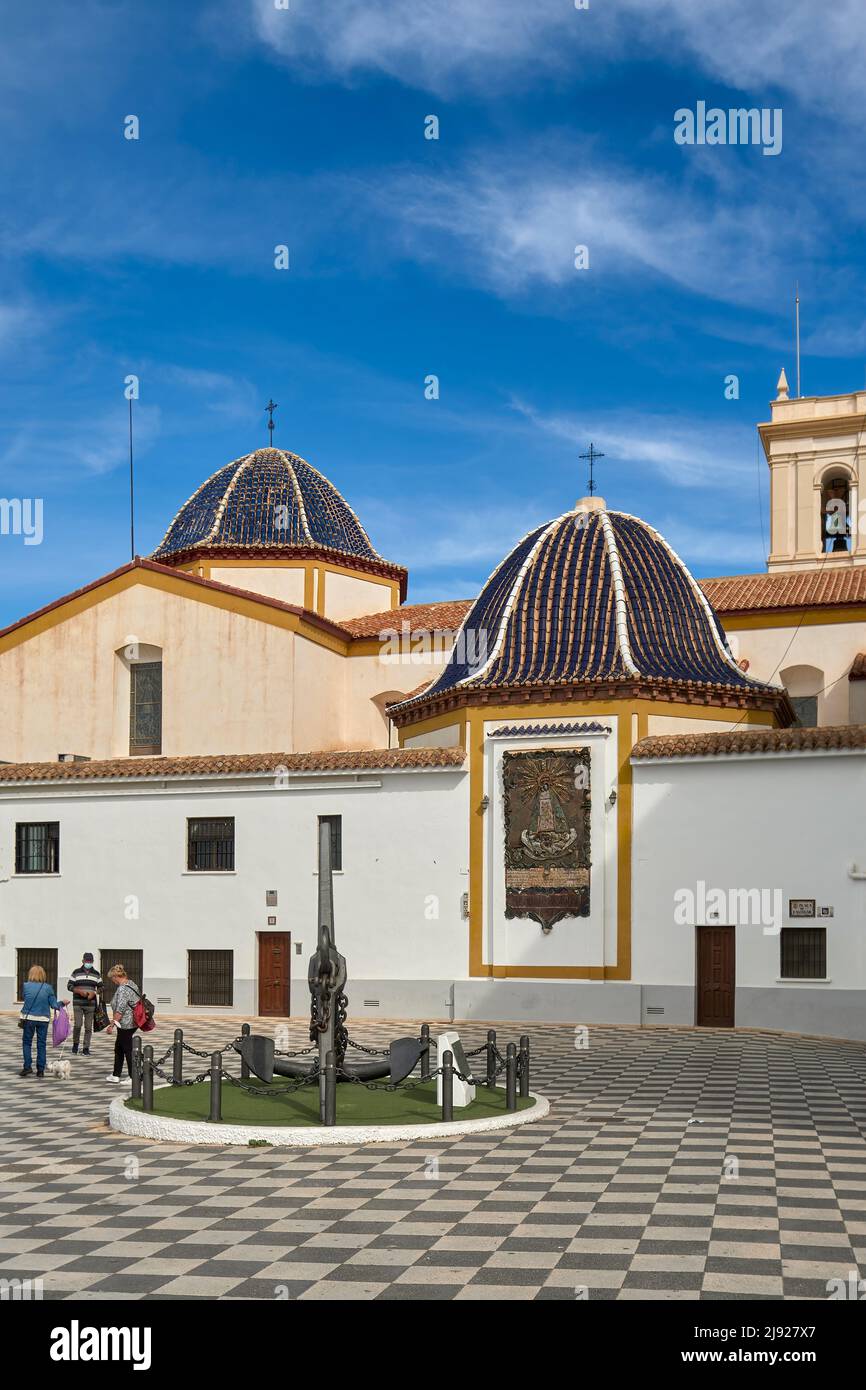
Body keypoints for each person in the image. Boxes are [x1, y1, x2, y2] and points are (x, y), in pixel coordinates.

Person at [19, 965, 68, 1078]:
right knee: (41, 1044)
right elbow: (54, 1005)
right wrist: (62, 1003)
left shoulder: (25, 986)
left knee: (27, 1043)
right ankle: (40, 1070)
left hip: (28, 1018)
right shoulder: (48, 988)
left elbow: (25, 998)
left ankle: (27, 1067)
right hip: (43, 1019)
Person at [104, 964, 139, 1084]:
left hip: (125, 1023)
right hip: (132, 1021)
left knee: (127, 1049)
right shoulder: (131, 983)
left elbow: (120, 1009)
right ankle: (116, 1074)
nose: (112, 981)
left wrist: (112, 1024)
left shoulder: (123, 989)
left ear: (115, 977)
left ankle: (133, 1076)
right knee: (119, 1048)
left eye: (112, 978)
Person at [67, 951, 103, 1056]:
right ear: (83, 961)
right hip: (78, 1003)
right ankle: (75, 1044)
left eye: (91, 961)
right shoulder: (76, 972)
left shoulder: (96, 974)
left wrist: (95, 993)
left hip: (90, 1004)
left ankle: (86, 1047)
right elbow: (69, 986)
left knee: (88, 1027)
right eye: (87, 961)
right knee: (78, 1025)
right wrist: (78, 991)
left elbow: (102, 987)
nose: (89, 963)